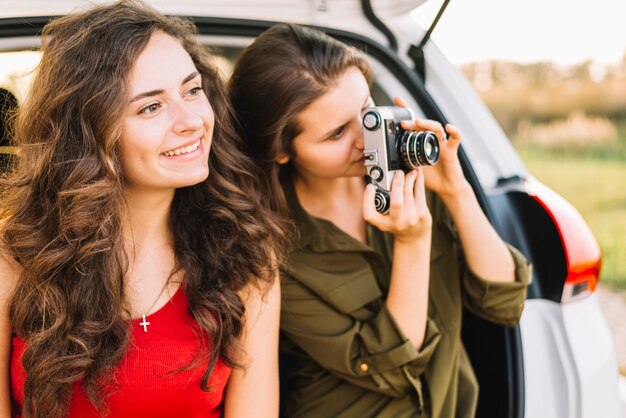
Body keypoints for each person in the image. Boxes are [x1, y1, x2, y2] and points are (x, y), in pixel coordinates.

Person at [229, 23, 532, 418]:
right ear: (282, 152)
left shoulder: (413, 180)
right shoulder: (270, 248)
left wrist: (456, 192)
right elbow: (393, 366)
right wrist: (412, 242)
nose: (367, 141)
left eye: (368, 114)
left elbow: (505, 302)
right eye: (337, 133)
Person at [0, 1, 287, 417]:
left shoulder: (246, 258)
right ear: (91, 134)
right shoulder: (14, 259)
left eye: (192, 90)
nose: (191, 120)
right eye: (151, 107)